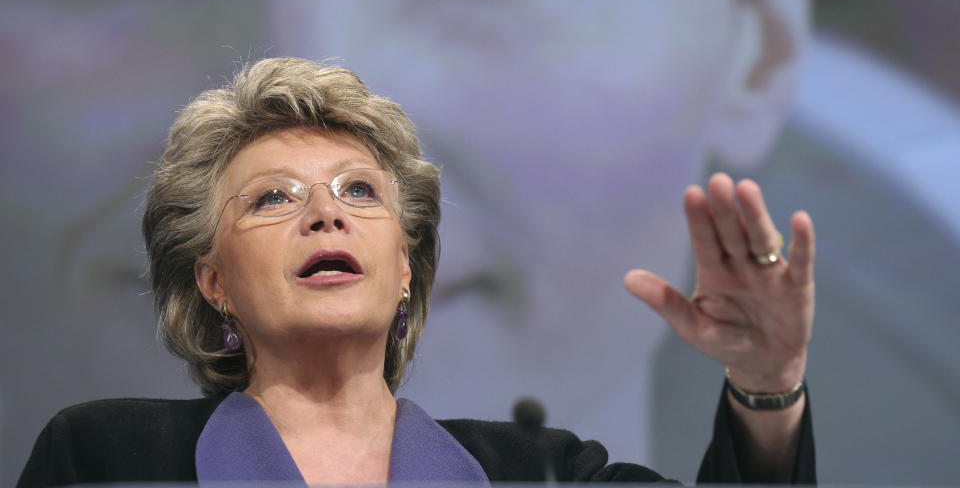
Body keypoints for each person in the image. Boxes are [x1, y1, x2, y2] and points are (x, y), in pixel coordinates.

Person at [18, 57, 816, 485]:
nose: (325, 214)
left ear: (405, 268)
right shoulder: (105, 458)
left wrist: (767, 380)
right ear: (214, 282)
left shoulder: (545, 475)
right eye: (272, 199)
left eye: (359, 191)